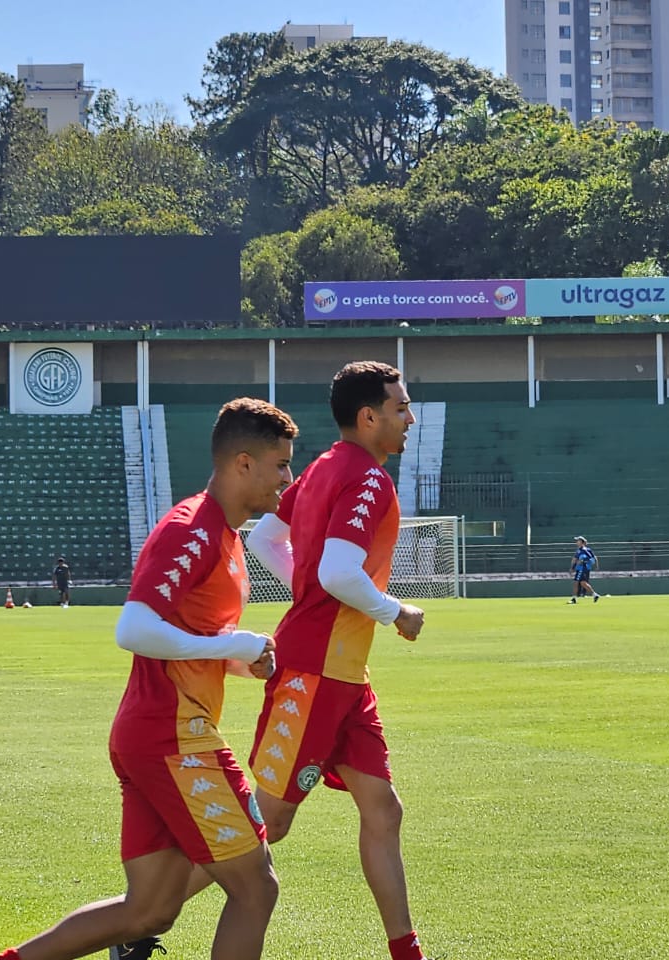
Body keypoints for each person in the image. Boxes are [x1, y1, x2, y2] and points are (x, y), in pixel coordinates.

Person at [0, 396, 298, 960]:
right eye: (280, 464)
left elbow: (183, 640)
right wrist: (229, 644)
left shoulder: (226, 539)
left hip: (153, 733)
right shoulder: (193, 530)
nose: (289, 477)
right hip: (174, 736)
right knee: (255, 887)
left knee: (149, 910)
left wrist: (238, 660)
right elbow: (133, 627)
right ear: (243, 464)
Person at [241, 360, 434, 960]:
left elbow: (265, 541)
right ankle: (145, 914)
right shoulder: (367, 479)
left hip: (343, 675)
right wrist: (395, 612)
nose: (410, 416)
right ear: (367, 416)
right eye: (400, 407)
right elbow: (337, 572)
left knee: (383, 807)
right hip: (315, 673)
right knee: (266, 824)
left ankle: (408, 952)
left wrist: (309, 590)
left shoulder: (324, 467)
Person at [568, 536, 599, 603]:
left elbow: (592, 559)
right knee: (583, 583)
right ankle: (595, 595)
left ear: (582, 542)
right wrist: (572, 567)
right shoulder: (579, 550)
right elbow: (575, 559)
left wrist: (583, 561)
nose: (576, 542)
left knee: (576, 583)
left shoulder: (584, 550)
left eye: (578, 541)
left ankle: (574, 599)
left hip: (582, 568)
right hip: (580, 568)